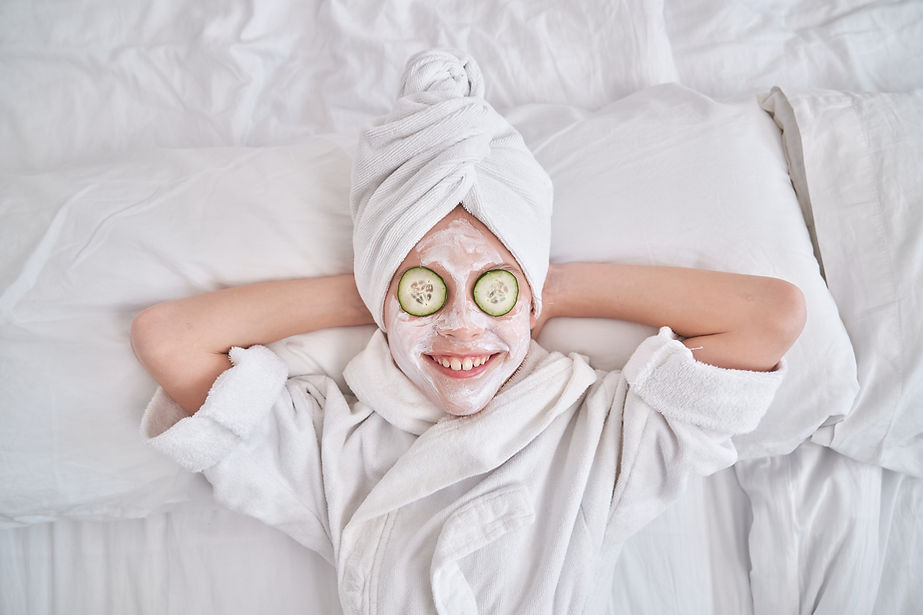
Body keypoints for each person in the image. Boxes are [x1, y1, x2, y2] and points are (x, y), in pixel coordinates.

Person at [131, 49, 805, 614]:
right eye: (426, 292)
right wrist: (382, 290)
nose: (460, 325)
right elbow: (169, 337)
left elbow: (768, 316)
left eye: (493, 289)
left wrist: (556, 288)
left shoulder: (602, 433)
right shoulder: (326, 443)